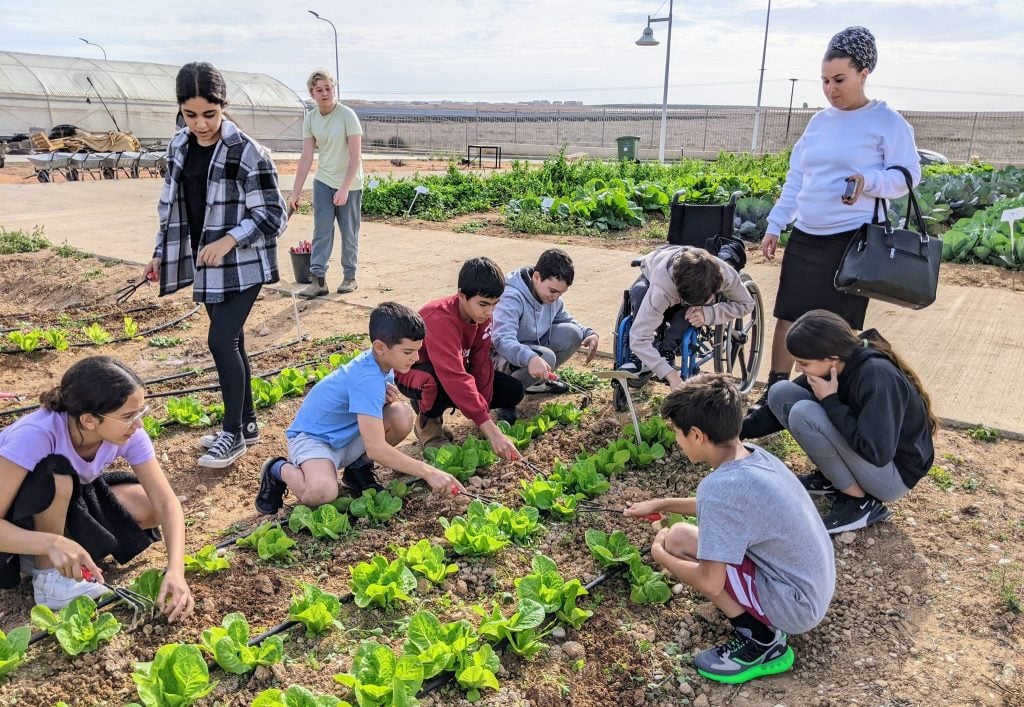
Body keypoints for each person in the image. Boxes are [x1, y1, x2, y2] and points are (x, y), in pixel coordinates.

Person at [625, 373, 834, 685]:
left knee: (680, 551)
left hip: (795, 606)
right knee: (680, 536)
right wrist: (659, 504)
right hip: (810, 583)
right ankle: (761, 621)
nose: (677, 442)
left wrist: (660, 556)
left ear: (696, 434)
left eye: (677, 434)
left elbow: (710, 582)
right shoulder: (752, 455)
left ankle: (761, 641)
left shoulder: (719, 488)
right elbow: (724, 508)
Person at [758, 26, 920, 402]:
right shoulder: (818, 122)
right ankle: (775, 389)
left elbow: (908, 176)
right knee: (789, 313)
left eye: (840, 79)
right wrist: (775, 224)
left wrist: (869, 181)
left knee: (839, 327)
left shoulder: (887, 121)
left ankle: (830, 397)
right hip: (806, 233)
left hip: (852, 240)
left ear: (864, 74)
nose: (831, 89)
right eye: (825, 80)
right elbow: (796, 177)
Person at [145, 62, 287, 469]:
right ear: (181, 110)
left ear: (223, 106)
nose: (201, 123)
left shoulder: (247, 152)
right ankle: (247, 423)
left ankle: (232, 435)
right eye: (191, 115)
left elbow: (273, 215)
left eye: (210, 114)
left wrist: (229, 239)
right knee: (234, 342)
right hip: (206, 262)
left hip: (244, 263)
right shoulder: (178, 146)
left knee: (220, 342)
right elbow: (170, 208)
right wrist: (159, 253)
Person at [0, 357, 193, 619]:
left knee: (147, 508)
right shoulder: (36, 435)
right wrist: (52, 543)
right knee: (57, 473)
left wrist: (175, 570)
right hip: (17, 510)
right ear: (89, 420)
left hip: (65, 499)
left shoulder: (127, 434)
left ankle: (36, 555)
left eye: (140, 412)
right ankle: (48, 579)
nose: (138, 424)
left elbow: (167, 502)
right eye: (128, 416)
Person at [256, 303, 466, 514]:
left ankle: (356, 469)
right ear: (380, 347)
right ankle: (276, 468)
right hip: (315, 439)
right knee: (322, 493)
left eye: (418, 350)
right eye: (408, 351)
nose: (416, 358)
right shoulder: (366, 379)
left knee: (400, 415)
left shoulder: (383, 363)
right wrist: (428, 472)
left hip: (349, 435)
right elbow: (376, 448)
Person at [741, 309, 936, 534]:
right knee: (781, 392)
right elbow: (776, 409)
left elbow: (876, 452)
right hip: (870, 458)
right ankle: (832, 479)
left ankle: (859, 504)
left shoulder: (876, 376)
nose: (797, 369)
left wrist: (831, 401)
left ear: (831, 358)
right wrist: (736, 431)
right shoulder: (839, 362)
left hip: (893, 475)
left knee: (805, 414)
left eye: (803, 363)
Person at [395, 257, 524, 458]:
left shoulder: (482, 317)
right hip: (418, 374)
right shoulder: (439, 319)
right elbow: (453, 375)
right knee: (436, 380)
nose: (489, 312)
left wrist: (483, 415)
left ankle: (455, 407)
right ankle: (428, 424)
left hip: (456, 370)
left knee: (513, 390)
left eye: (494, 304)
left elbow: (481, 363)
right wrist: (492, 431)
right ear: (462, 295)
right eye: (483, 304)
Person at [622, 244, 754, 390]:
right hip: (655, 268)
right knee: (638, 293)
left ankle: (667, 349)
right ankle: (644, 358)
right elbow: (639, 338)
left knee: (686, 316)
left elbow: (747, 304)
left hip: (690, 284)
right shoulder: (661, 289)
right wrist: (672, 376)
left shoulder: (725, 275)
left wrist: (709, 313)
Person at [288, 69, 364, 297]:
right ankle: (318, 280)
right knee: (321, 230)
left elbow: (355, 157)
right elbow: (306, 158)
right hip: (323, 180)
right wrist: (295, 194)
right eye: (319, 90)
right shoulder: (310, 119)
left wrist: (344, 188)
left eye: (328, 88)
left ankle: (349, 276)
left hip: (349, 182)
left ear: (334, 89)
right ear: (312, 93)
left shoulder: (347, 115)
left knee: (348, 231)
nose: (325, 93)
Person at [491, 249, 599, 394]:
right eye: (553, 291)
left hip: (528, 350)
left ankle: (533, 384)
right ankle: (505, 395)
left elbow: (565, 319)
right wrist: (530, 358)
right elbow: (501, 340)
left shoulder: (549, 296)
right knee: (546, 357)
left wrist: (589, 333)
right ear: (536, 277)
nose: (556, 297)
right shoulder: (512, 297)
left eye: (561, 293)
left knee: (574, 334)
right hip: (501, 358)